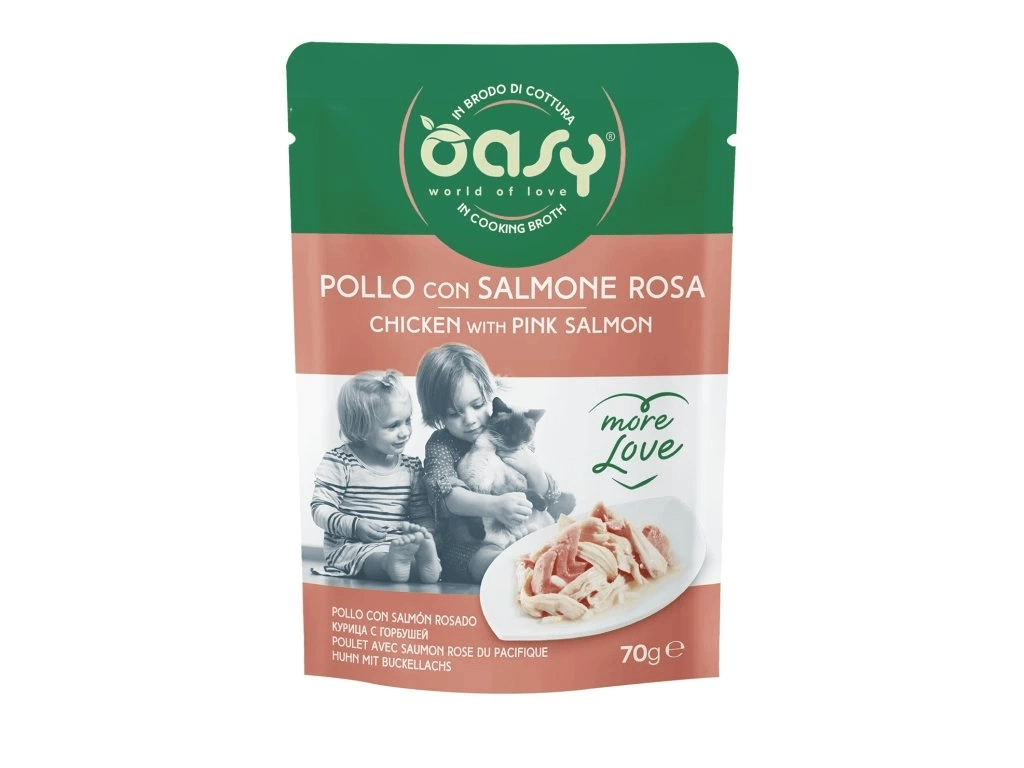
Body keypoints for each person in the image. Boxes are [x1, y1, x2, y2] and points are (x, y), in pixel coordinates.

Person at [416, 343, 574, 583]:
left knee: (560, 537)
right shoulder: (441, 444)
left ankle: (544, 563)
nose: (470, 419)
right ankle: (518, 569)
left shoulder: (508, 429)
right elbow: (446, 496)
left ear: (489, 395)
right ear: (437, 414)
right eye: (454, 413)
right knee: (490, 561)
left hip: (522, 527)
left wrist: (532, 468)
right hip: (472, 540)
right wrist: (495, 506)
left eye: (477, 405)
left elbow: (547, 496)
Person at [310, 370, 441, 583]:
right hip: (353, 545)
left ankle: (425, 565)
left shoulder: (411, 467)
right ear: (361, 429)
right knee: (373, 560)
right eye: (393, 425)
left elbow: (422, 514)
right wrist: (355, 525)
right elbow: (320, 509)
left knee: (412, 559)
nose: (405, 432)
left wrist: (424, 534)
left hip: (399, 545)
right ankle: (391, 565)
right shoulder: (340, 462)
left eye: (407, 421)